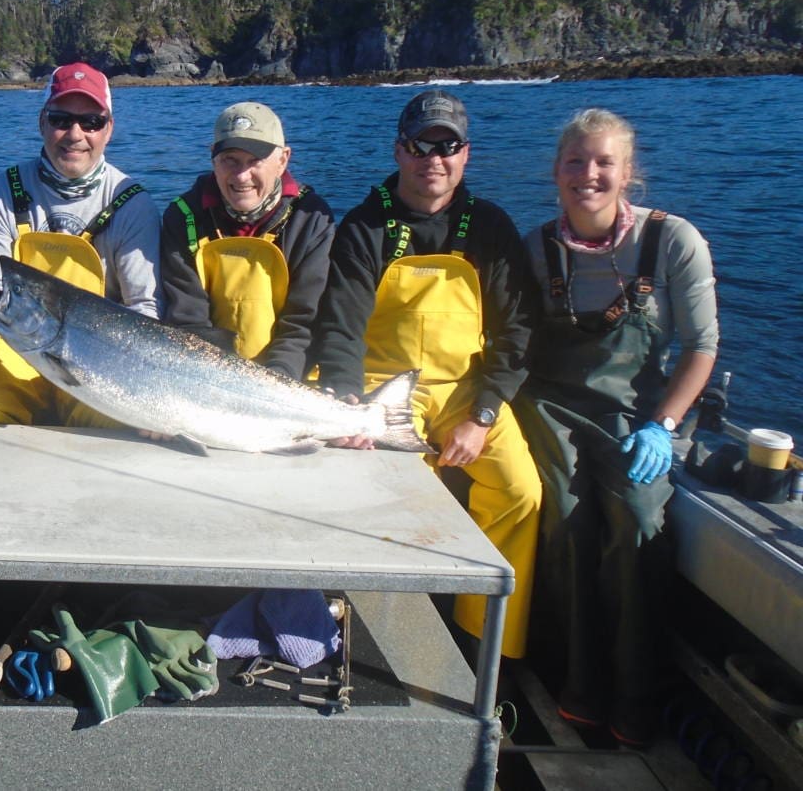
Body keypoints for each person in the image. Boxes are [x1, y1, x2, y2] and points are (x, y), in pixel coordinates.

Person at [314, 89, 541, 660]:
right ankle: (394, 644)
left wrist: (483, 415)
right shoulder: (365, 226)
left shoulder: (491, 226)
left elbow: (516, 333)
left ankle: (487, 642)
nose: (432, 159)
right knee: (395, 493)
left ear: (466, 154)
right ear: (399, 150)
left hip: (468, 392)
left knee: (521, 492)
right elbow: (341, 328)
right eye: (420, 146)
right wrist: (349, 407)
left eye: (447, 147)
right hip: (385, 391)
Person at [516, 108, 718, 746]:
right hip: (550, 408)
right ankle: (574, 679)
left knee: (636, 516)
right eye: (575, 161)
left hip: (639, 415)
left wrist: (664, 424)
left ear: (628, 172)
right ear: (556, 172)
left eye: (604, 162)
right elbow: (514, 345)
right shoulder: (536, 248)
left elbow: (701, 348)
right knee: (565, 513)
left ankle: (635, 691)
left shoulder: (672, 241)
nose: (589, 174)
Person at [0, 63, 161, 439]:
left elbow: (145, 307)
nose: (75, 134)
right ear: (42, 122)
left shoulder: (132, 204)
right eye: (61, 119)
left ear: (109, 129)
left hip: (100, 359)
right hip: (11, 349)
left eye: (91, 122)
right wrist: (22, 320)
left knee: (136, 428)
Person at [160, 102, 334, 380]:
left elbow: (302, 322)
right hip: (207, 373)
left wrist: (277, 380)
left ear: (283, 160)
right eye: (229, 159)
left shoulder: (311, 218)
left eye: (255, 160)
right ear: (213, 159)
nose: (242, 176)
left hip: (290, 377)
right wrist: (217, 383)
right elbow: (188, 319)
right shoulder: (183, 215)